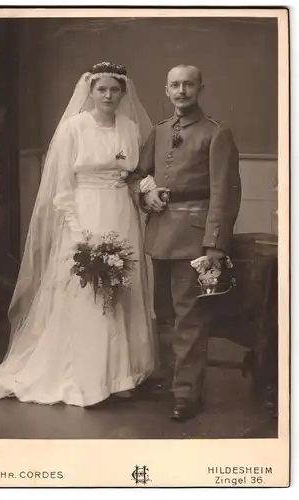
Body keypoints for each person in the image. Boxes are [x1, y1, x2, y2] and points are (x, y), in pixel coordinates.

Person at [0, 61, 157, 408]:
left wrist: (147, 189)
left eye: (115, 89)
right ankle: (87, 374)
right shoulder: (74, 128)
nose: (108, 95)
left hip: (121, 213)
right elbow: (63, 188)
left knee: (123, 287)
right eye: (102, 89)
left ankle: (121, 374)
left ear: (123, 93)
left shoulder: (129, 127)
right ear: (91, 91)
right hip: (86, 212)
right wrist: (80, 233)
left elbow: (134, 174)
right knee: (88, 290)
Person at [129, 64, 242, 421]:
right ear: (166, 91)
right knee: (163, 314)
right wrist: (146, 196)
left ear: (200, 88)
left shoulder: (216, 133)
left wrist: (214, 246)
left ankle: (187, 394)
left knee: (190, 318)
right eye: (175, 85)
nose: (182, 91)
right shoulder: (159, 132)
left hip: (194, 240)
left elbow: (225, 193)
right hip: (159, 234)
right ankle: (172, 380)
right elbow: (138, 174)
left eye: (188, 85)